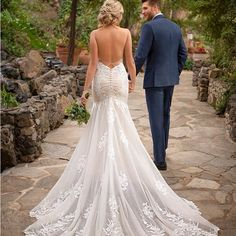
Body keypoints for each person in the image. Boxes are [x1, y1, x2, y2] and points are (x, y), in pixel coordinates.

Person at [24, 1, 219, 235]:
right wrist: (133, 82)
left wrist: (85, 92)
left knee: (100, 123)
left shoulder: (95, 34)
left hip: (102, 81)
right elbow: (130, 60)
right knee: (121, 123)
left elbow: (93, 65)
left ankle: (101, 172)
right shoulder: (126, 33)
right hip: (118, 80)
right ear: (118, 15)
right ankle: (125, 168)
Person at [134, 0, 188, 171]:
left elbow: (140, 55)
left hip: (155, 81)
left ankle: (159, 160)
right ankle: (162, 150)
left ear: (155, 7)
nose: (143, 12)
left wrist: (130, 76)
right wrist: (174, 72)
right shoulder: (175, 27)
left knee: (156, 118)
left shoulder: (149, 27)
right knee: (165, 115)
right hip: (170, 80)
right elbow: (183, 54)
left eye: (145, 8)